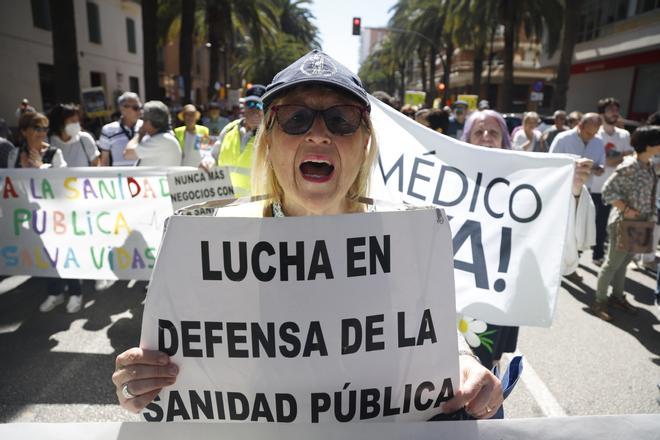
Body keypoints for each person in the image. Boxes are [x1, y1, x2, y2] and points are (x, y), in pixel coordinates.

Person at [113, 49, 504, 420]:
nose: (318, 134)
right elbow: (177, 358)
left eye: (341, 119)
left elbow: (432, 331)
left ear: (365, 140)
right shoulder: (207, 244)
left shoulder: (408, 238)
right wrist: (141, 386)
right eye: (296, 118)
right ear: (267, 141)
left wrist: (466, 363)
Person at [461, 110, 592, 368]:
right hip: (458, 287)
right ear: (466, 139)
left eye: (493, 132)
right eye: (478, 132)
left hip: (500, 286)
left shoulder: (525, 179)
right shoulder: (450, 176)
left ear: (504, 140)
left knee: (487, 358)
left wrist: (572, 189)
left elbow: (551, 224)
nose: (486, 137)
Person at [7, 112, 82, 312]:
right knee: (44, 255)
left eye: (45, 129)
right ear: (24, 131)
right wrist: (22, 171)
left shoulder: (54, 154)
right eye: (36, 128)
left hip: (56, 216)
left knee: (63, 253)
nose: (42, 133)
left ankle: (75, 292)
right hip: (30, 215)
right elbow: (10, 186)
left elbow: (63, 185)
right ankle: (55, 292)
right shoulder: (15, 154)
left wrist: (40, 168)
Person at [592, 126, 660, 321]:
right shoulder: (630, 165)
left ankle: (616, 297)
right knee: (612, 264)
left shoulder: (648, 165)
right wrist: (625, 209)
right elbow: (608, 190)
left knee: (624, 263)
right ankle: (599, 301)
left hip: (641, 222)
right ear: (649, 145)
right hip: (625, 221)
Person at [549, 113, 604, 283]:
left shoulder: (598, 142)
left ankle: (572, 266)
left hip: (586, 194)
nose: (592, 137)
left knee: (578, 232)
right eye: (589, 133)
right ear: (580, 126)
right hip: (562, 194)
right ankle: (552, 267)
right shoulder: (563, 138)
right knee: (558, 233)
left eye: (594, 133)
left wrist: (597, 168)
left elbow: (601, 163)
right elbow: (551, 162)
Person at [591, 98, 634, 266]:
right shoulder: (596, 134)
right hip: (596, 187)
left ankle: (619, 259)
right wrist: (620, 157)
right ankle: (597, 254)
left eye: (616, 110)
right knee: (599, 223)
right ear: (602, 114)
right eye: (610, 110)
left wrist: (613, 159)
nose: (615, 113)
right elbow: (605, 162)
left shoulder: (624, 135)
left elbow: (629, 160)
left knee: (616, 224)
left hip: (619, 188)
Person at [201, 85, 265, 195]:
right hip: (224, 203)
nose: (255, 109)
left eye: (260, 105)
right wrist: (208, 161)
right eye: (250, 104)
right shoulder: (229, 128)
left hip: (254, 206)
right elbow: (213, 156)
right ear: (243, 107)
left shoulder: (271, 135)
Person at [123, 101, 181, 166]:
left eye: (143, 119)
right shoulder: (163, 137)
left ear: (149, 122)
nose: (142, 123)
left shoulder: (162, 140)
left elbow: (127, 153)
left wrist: (139, 134)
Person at [99, 92, 143, 167]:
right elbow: (104, 162)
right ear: (122, 109)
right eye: (136, 108)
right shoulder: (108, 130)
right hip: (119, 177)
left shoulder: (145, 126)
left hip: (143, 177)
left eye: (141, 108)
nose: (140, 111)